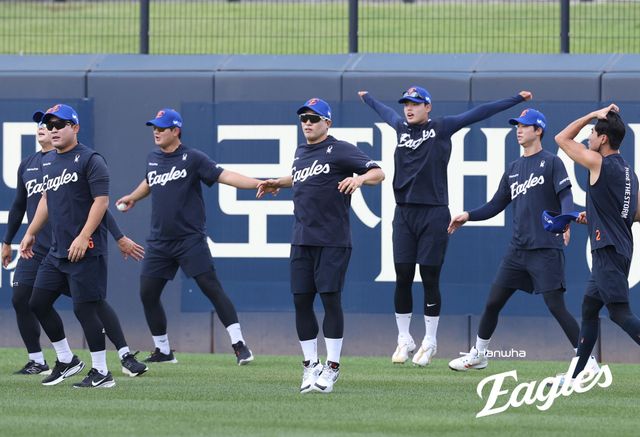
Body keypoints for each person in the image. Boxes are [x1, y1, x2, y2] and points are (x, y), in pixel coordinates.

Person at [358, 86, 532, 366]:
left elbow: (479, 113)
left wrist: (516, 99)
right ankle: (404, 338)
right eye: (406, 104)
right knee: (403, 274)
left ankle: (430, 341)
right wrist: (368, 98)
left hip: (434, 212)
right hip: (404, 212)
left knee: (429, 276)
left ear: (428, 107)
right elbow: (384, 111)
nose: (409, 108)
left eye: (415, 103)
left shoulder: (441, 127)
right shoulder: (401, 128)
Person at [446, 108, 596, 372]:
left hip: (545, 248)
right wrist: (468, 215)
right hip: (518, 251)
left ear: (538, 130)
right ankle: (479, 355)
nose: (519, 130)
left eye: (524, 126)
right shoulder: (514, 168)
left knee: (556, 306)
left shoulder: (552, 162)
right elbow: (495, 204)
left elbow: (565, 195)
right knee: (493, 302)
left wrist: (564, 220)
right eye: (517, 125)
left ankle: (586, 362)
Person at [3, 111, 148, 378]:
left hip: (77, 245)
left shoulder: (87, 159)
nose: (48, 128)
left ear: (74, 127)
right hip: (45, 249)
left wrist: (117, 237)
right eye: (46, 124)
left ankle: (121, 357)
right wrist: (19, 236)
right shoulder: (33, 164)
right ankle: (47, 360)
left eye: (56, 124)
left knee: (90, 304)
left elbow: (100, 203)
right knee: (26, 299)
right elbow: (27, 203)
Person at [116, 108, 263, 365]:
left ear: (176, 130)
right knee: (148, 293)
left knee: (211, 288)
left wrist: (258, 183)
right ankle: (163, 351)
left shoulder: (192, 158)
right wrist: (133, 197)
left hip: (189, 240)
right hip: (160, 242)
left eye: (162, 128)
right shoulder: (153, 158)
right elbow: (149, 181)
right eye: (154, 128)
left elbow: (225, 175)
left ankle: (239, 344)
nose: (156, 132)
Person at [257, 98, 385, 394]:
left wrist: (360, 180)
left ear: (327, 122)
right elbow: (303, 177)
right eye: (303, 118)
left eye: (314, 118)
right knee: (301, 301)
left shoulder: (339, 149)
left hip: (332, 240)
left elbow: (378, 172)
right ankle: (310, 365)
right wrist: (279, 182)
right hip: (302, 238)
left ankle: (332, 367)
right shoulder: (301, 152)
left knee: (330, 300)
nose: (307, 123)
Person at [555, 104, 640, 385]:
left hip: (607, 250)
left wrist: (593, 114)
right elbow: (635, 213)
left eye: (592, 133)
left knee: (619, 313)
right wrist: (594, 216)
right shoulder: (629, 172)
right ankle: (576, 375)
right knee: (590, 308)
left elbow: (561, 139)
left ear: (603, 138)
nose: (589, 137)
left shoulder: (598, 162)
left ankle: (576, 374)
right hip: (619, 249)